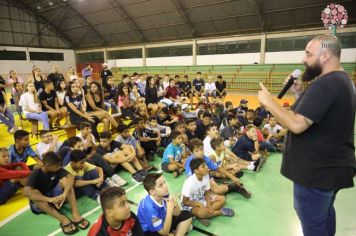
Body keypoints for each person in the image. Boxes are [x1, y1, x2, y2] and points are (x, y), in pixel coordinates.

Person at [257, 34, 356, 236]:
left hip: (316, 174)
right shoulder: (343, 81)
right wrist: (299, 94)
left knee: (313, 226)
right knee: (325, 215)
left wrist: (269, 102)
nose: (304, 59)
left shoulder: (326, 84)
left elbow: (297, 124)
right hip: (331, 169)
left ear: (325, 56)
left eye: (308, 54)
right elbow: (316, 116)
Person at [24, 152, 90, 235]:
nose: (59, 167)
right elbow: (26, 192)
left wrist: (64, 194)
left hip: (54, 196)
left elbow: (71, 177)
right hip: (42, 203)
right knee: (34, 193)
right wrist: (50, 199)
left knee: (67, 183)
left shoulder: (57, 169)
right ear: (48, 165)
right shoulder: (36, 173)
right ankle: (63, 219)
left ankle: (75, 214)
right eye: (57, 165)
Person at [182, 158, 235, 223]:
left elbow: (207, 193)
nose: (207, 167)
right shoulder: (190, 182)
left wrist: (209, 205)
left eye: (206, 165)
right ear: (196, 171)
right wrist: (198, 204)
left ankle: (207, 214)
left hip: (201, 199)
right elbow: (185, 202)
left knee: (222, 199)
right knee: (201, 213)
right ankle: (219, 212)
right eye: (203, 166)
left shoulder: (206, 176)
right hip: (191, 204)